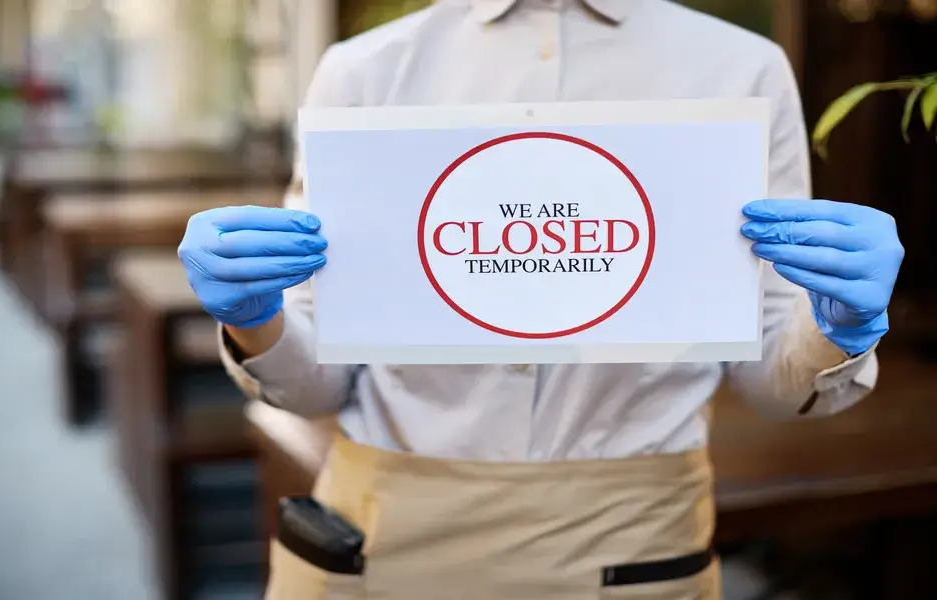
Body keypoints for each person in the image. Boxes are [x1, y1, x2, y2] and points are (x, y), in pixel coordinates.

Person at [178, 1, 904, 598]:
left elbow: (771, 383)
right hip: (388, 539)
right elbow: (321, 383)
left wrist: (835, 325)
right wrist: (256, 319)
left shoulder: (741, 69)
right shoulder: (367, 71)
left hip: (633, 545)